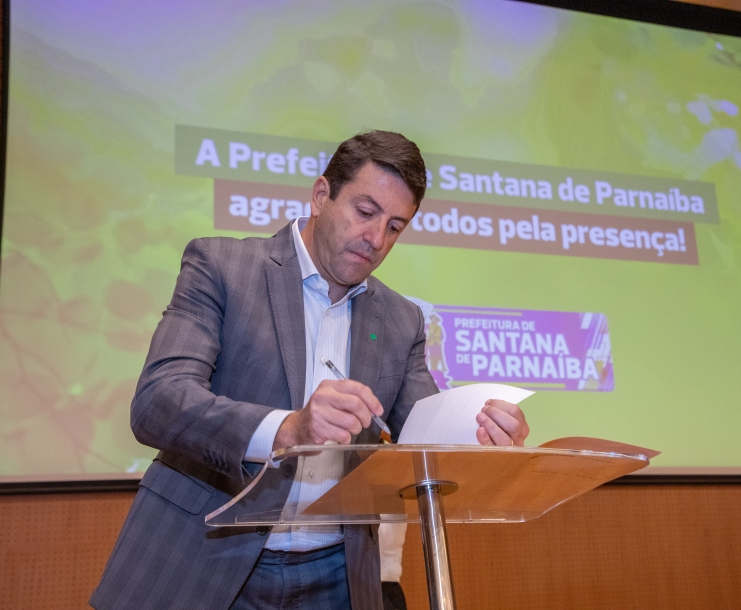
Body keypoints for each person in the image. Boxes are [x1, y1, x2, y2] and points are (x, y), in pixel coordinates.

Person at [90, 130, 529, 610]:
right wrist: (288, 429)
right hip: (207, 560)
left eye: (395, 226)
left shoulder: (402, 319)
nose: (376, 239)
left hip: (337, 575)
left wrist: (480, 434)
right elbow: (159, 401)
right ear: (321, 196)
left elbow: (420, 435)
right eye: (365, 212)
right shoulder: (221, 266)